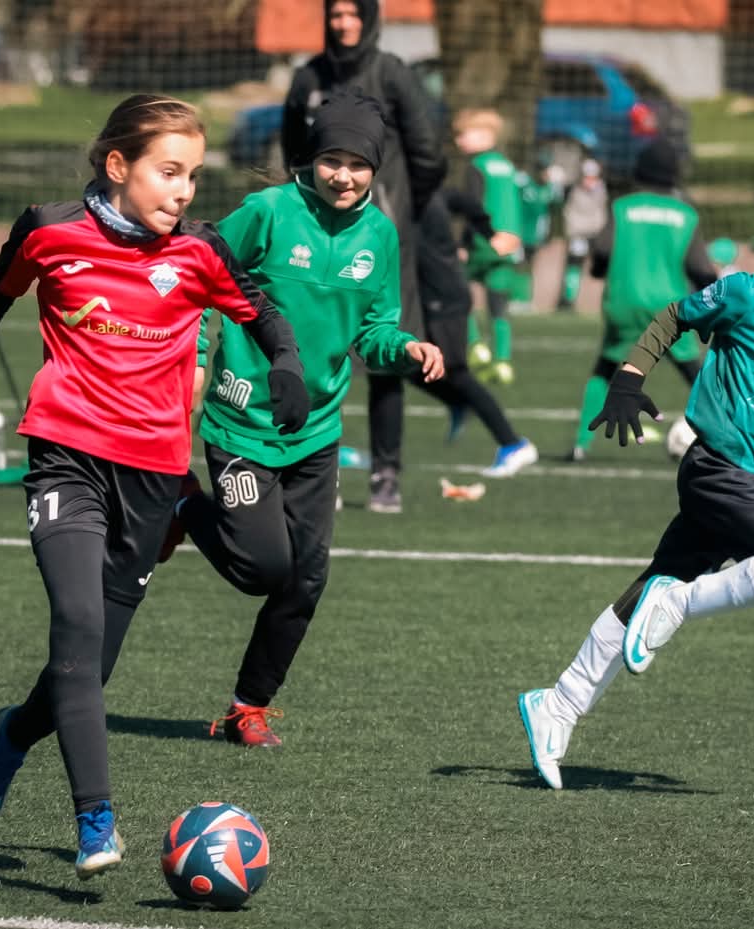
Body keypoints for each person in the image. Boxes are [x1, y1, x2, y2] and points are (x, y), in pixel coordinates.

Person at [0, 94, 308, 874]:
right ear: (118, 165)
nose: (184, 191)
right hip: (66, 456)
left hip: (154, 477)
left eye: (192, 175)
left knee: (88, 668)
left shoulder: (199, 251)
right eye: (169, 172)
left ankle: (12, 734)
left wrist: (284, 364)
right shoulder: (50, 230)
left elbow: (260, 312)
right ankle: (97, 821)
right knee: (77, 625)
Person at [519, 175, 754, 789]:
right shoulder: (746, 293)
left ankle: (559, 703)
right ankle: (679, 603)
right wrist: (629, 378)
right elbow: (675, 316)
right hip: (715, 469)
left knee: (647, 591)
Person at [158, 90, 443, 749]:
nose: (344, 175)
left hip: (315, 432)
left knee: (307, 579)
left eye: (358, 164)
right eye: (332, 160)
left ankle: (248, 707)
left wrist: (404, 348)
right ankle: (184, 507)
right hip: (242, 420)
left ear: (376, 168)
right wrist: (196, 357)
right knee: (260, 569)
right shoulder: (268, 212)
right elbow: (196, 276)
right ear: (311, 159)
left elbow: (373, 330)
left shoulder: (380, 234)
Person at [281, 0, 446, 514]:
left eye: (354, 14)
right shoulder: (308, 77)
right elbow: (292, 150)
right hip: (312, 238)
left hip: (381, 234)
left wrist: (400, 212)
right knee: (305, 344)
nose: (345, 23)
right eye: (337, 14)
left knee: (386, 351)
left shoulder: (392, 73)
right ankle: (305, 464)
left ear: (371, 18)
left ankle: (385, 472)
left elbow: (428, 154)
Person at [566, 139, 716, 462]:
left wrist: (598, 269)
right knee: (697, 375)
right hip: (670, 309)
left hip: (624, 301)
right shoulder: (685, 215)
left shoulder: (622, 207)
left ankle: (581, 444)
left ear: (640, 172)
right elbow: (700, 268)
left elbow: (602, 249)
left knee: (605, 369)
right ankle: (726, 441)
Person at [416, 186, 537, 475]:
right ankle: (458, 402)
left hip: (444, 296)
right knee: (402, 365)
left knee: (456, 372)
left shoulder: (421, 194)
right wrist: (488, 233)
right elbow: (463, 200)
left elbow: (466, 201)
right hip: (427, 295)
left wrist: (487, 234)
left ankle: (512, 443)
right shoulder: (419, 192)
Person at [454, 107, 524, 386]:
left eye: (463, 134)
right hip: (509, 243)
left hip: (484, 241)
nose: (458, 140)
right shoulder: (507, 166)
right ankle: (504, 361)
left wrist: (463, 243)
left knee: (457, 289)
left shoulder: (477, 166)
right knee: (499, 306)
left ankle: (475, 345)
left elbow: (474, 207)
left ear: (485, 135)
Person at [556, 158, 608, 311]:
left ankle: (603, 300)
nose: (589, 181)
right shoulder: (574, 191)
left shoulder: (601, 192)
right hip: (578, 235)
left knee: (601, 267)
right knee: (574, 267)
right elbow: (570, 214)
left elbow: (600, 215)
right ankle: (568, 299)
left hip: (595, 234)